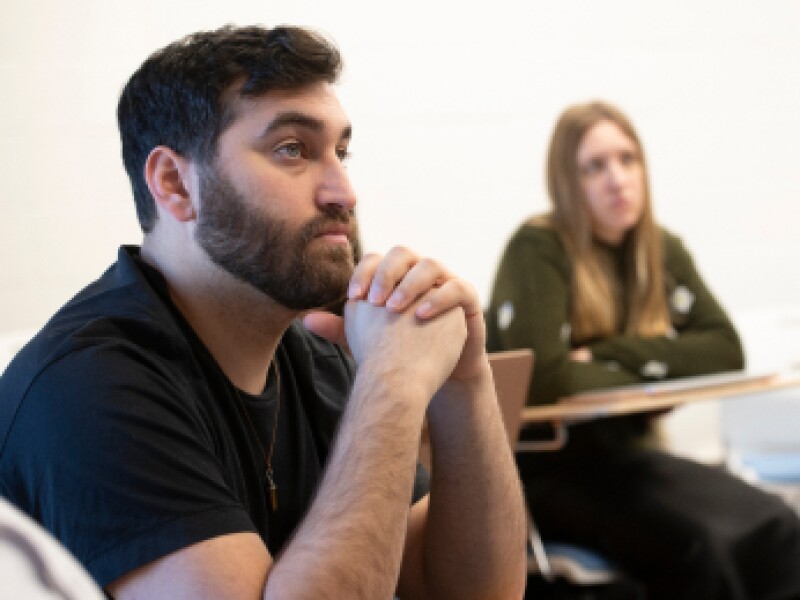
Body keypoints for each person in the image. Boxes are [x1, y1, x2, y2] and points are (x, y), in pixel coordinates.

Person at [0, 25, 527, 599]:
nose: (344, 192)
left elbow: (483, 592)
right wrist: (393, 382)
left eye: (341, 153)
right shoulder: (91, 387)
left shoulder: (317, 360)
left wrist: (465, 381)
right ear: (175, 184)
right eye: (292, 150)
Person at [487, 100, 800, 598]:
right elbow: (545, 378)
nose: (617, 179)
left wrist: (607, 356)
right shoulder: (538, 248)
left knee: (779, 526)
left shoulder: (658, 247)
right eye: (594, 167)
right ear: (567, 181)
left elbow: (724, 350)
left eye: (627, 159)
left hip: (631, 459)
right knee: (698, 548)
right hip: (552, 471)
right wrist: (664, 364)